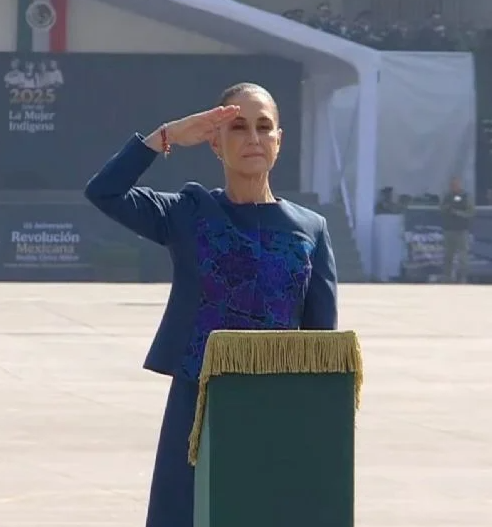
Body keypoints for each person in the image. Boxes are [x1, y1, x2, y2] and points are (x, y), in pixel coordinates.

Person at [83, 82, 338, 527]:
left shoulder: (310, 229)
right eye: (238, 127)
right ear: (215, 142)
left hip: (278, 408)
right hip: (199, 407)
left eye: (264, 127)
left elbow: (322, 344)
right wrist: (166, 137)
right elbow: (105, 192)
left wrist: (316, 427)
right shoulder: (190, 212)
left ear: (279, 140)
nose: (253, 138)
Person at [439, 177, 474, 283]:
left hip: (461, 230)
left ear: (459, 185)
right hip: (449, 230)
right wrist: (446, 209)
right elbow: (441, 209)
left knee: (462, 256)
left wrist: (457, 212)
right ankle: (447, 276)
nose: (453, 187)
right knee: (448, 255)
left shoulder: (466, 196)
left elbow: (470, 212)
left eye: (455, 185)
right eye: (452, 185)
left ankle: (463, 277)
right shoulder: (447, 196)